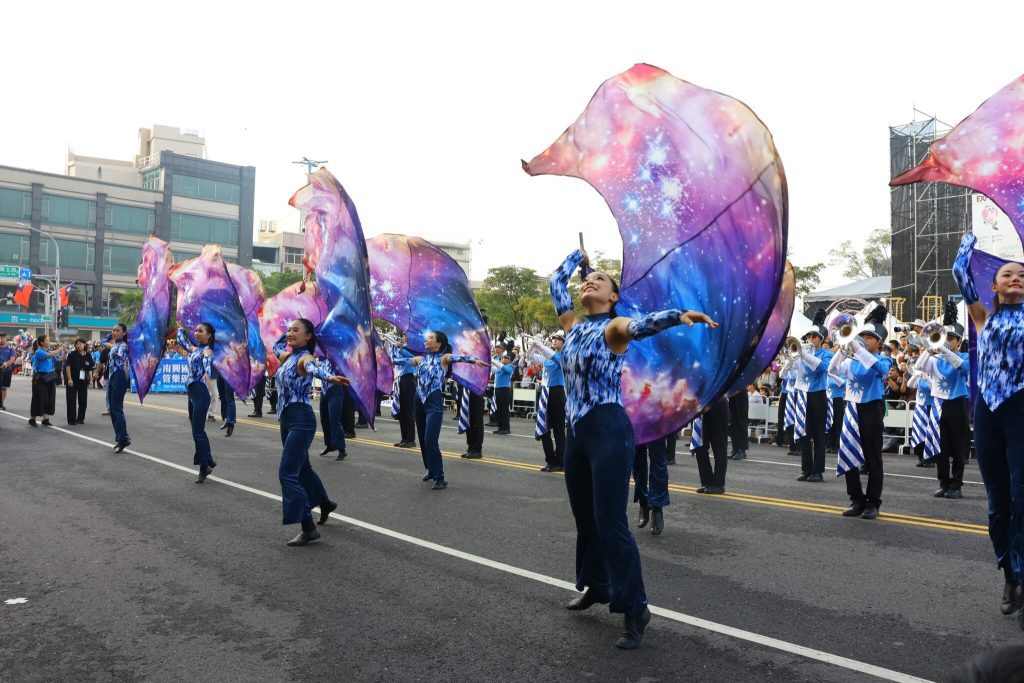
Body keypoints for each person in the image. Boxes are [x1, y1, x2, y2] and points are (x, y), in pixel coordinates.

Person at [550, 247, 717, 649]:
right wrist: (578, 258)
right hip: (577, 432)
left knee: (610, 522)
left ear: (612, 297)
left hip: (608, 428)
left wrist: (679, 315)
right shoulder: (572, 325)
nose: (590, 283)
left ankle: (635, 608)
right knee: (585, 518)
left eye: (600, 281)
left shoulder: (614, 327)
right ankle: (598, 585)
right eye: (588, 280)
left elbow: (642, 325)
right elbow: (556, 281)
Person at [953, 233, 1024, 623]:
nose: (1016, 278)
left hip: (1021, 409)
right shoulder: (983, 317)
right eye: (1007, 274)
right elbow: (959, 274)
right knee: (998, 503)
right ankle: (1010, 575)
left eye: (1022, 276)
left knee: (1022, 499)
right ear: (993, 286)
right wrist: (967, 244)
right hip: (987, 412)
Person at [273, 318, 346, 546]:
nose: (290, 333)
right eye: (288, 330)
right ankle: (324, 503)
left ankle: (308, 527)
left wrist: (328, 376)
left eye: (296, 330)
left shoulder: (305, 358)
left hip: (301, 420)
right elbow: (275, 347)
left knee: (287, 473)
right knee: (302, 468)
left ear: (308, 336)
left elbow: (313, 368)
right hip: (286, 419)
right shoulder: (287, 357)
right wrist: (284, 330)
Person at [829, 307, 892, 520]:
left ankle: (873, 502)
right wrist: (843, 347)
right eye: (862, 335)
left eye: (870, 337)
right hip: (852, 409)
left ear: (879, 343)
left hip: (871, 409)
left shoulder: (884, 359)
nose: (865, 339)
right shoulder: (852, 360)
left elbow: (879, 369)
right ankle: (856, 499)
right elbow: (832, 370)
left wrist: (855, 346)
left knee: (873, 457)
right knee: (848, 452)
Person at [408, 331, 488, 489]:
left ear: (439, 343)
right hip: (419, 400)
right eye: (427, 337)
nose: (427, 339)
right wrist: (393, 349)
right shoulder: (422, 358)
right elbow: (399, 360)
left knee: (430, 440)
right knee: (422, 439)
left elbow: (458, 358)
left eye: (431, 338)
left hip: (434, 401)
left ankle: (440, 477)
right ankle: (431, 470)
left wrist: (474, 360)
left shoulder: (444, 357)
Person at [915, 303, 971, 500]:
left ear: (959, 341)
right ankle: (943, 482)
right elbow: (919, 366)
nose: (946, 341)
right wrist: (929, 346)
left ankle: (956, 484)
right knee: (940, 446)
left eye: (951, 338)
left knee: (958, 446)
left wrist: (945, 351)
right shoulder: (935, 358)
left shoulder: (964, 356)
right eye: (944, 337)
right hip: (939, 404)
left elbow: (965, 368)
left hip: (957, 403)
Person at [174, 324, 217, 483]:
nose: (197, 333)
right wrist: (181, 328)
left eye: (201, 331)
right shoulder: (196, 349)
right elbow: (182, 341)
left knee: (197, 432)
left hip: (200, 392)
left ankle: (204, 467)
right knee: (197, 430)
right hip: (192, 392)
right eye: (196, 330)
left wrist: (207, 370)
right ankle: (208, 458)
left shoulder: (207, 351)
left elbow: (208, 367)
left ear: (209, 335)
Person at [795, 310, 834, 482]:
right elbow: (791, 371)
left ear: (822, 339)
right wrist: (794, 358)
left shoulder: (827, 353)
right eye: (809, 336)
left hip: (818, 394)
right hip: (804, 394)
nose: (810, 339)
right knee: (804, 432)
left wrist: (805, 355)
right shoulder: (804, 352)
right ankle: (806, 469)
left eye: (814, 336)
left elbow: (824, 368)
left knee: (818, 434)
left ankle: (818, 471)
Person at [530, 332, 567, 472]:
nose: (555, 341)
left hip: (557, 392)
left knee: (558, 429)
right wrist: (533, 346)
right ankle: (550, 460)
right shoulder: (547, 356)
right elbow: (530, 357)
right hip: (545, 393)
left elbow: (555, 357)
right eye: (554, 339)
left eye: (558, 339)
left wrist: (541, 347)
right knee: (543, 427)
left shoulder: (564, 355)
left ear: (564, 342)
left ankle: (561, 461)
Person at [103, 324, 132, 452]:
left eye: (117, 330)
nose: (114, 332)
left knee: (116, 408)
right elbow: (103, 341)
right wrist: (111, 337)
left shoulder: (124, 346)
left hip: (120, 376)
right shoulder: (115, 344)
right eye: (113, 330)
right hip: (112, 376)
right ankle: (120, 438)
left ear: (124, 333)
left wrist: (120, 355)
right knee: (112, 409)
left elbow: (121, 354)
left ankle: (123, 438)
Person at [633, 437, 670, 535]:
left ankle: (657, 507)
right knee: (636, 459)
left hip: (656, 427)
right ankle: (643, 502)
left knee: (658, 459)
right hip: (636, 426)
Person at [693, 399, 730, 494]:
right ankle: (707, 482)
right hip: (701, 408)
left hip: (718, 405)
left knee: (719, 447)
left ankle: (718, 484)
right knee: (700, 447)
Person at [28, 335, 64, 428]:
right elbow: (50, 356)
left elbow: (59, 359)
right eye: (47, 340)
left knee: (49, 398)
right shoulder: (39, 352)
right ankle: (32, 419)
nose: (49, 342)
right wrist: (60, 349)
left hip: (49, 377)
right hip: (40, 377)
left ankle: (45, 419)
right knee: (38, 398)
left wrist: (65, 352)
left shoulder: (48, 351)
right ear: (41, 342)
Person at [389, 336, 418, 447]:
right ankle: (404, 438)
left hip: (409, 378)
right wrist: (393, 347)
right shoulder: (403, 348)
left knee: (409, 410)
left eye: (406, 335)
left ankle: (411, 439)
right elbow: (393, 360)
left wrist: (400, 349)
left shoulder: (414, 349)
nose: (404, 337)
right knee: (402, 410)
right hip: (401, 379)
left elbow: (413, 358)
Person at [318, 356, 348, 461]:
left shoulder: (338, 357)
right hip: (324, 391)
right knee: (324, 420)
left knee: (334, 421)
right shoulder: (323, 359)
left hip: (335, 390)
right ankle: (329, 445)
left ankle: (341, 450)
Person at [63, 338, 95, 425]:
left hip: (83, 381)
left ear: (84, 345)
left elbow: (90, 369)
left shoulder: (88, 355)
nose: (78, 345)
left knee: (83, 401)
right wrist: (69, 379)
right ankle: (71, 420)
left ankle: (80, 418)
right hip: (73, 381)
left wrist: (91, 379)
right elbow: (68, 367)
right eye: (76, 344)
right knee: (71, 401)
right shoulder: (72, 354)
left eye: (80, 344)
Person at [491, 353, 515, 435]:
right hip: (498, 389)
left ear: (509, 360)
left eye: (505, 358)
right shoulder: (499, 366)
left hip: (505, 389)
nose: (503, 359)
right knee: (499, 409)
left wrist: (494, 361)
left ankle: (506, 428)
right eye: (503, 358)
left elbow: (505, 369)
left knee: (504, 410)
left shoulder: (510, 367)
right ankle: (500, 427)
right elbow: (492, 370)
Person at [213, 366, 236, 437]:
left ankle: (231, 423)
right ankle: (226, 419)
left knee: (229, 398)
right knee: (222, 397)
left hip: (230, 372)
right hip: (220, 371)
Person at [728, 390, 749, 460]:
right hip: (732, 392)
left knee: (742, 422)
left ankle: (742, 450)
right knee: (733, 422)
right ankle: (735, 448)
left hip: (741, 390)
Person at [0, 332, 18, 410]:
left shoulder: (10, 347)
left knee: (4, 387)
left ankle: (1, 403)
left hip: (7, 370)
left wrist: (5, 365)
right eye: (0, 338)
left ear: (5, 338)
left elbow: (12, 359)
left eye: (2, 338)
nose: (1, 340)